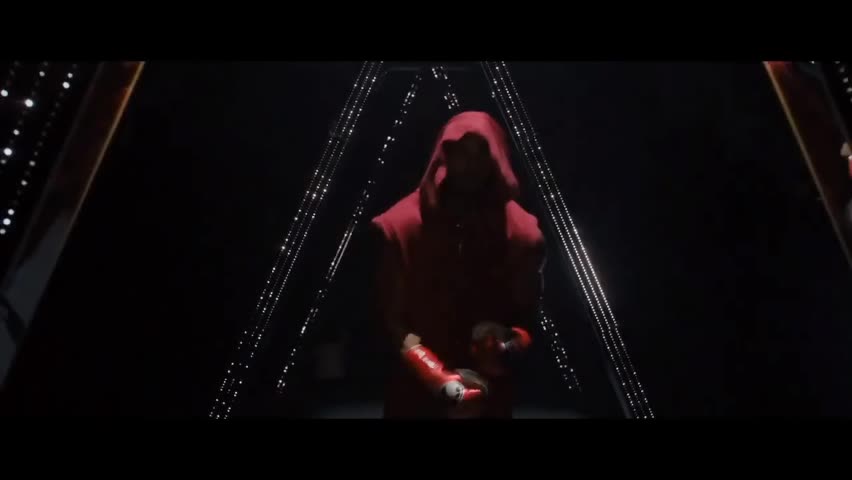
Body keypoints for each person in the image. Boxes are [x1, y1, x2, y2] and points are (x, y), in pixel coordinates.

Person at [370, 111, 545, 418]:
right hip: (415, 392)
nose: (471, 165)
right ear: (446, 155)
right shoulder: (401, 227)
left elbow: (527, 316)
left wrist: (507, 346)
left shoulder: (522, 234)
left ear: (495, 159)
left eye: (481, 154)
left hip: (488, 390)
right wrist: (434, 375)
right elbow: (395, 322)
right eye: (462, 153)